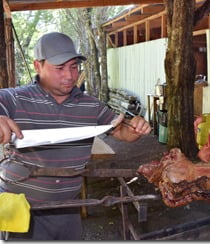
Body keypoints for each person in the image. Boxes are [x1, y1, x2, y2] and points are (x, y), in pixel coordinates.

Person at [0, 32, 151, 240]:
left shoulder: (90, 105)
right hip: (21, 207)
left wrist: (137, 129)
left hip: (69, 208)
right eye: (59, 68)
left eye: (73, 66)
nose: (70, 76)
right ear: (37, 66)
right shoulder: (15, 98)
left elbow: (122, 132)